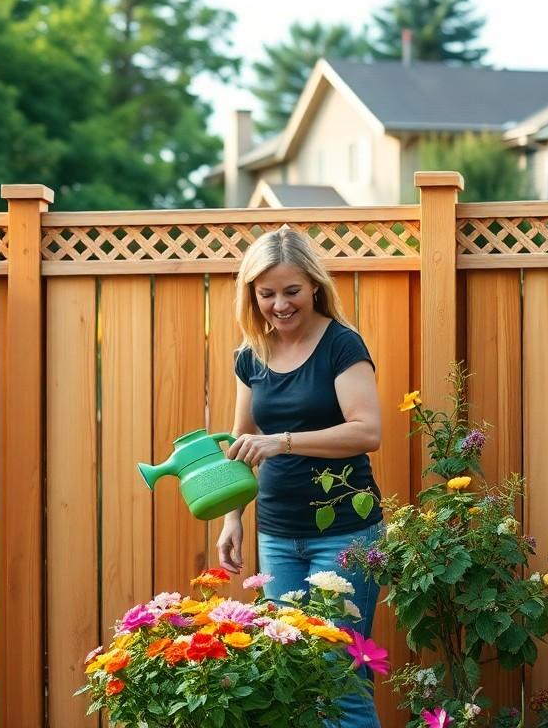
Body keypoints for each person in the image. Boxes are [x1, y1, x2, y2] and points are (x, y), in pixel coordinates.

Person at [215, 226, 384, 728]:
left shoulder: (341, 345)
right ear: (252, 295)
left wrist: (282, 440)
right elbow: (241, 442)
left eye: (291, 291)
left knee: (339, 677)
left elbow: (367, 431)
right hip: (277, 534)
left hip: (346, 534)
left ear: (314, 285)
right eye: (267, 294)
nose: (280, 305)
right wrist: (233, 519)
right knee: (288, 673)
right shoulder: (252, 355)